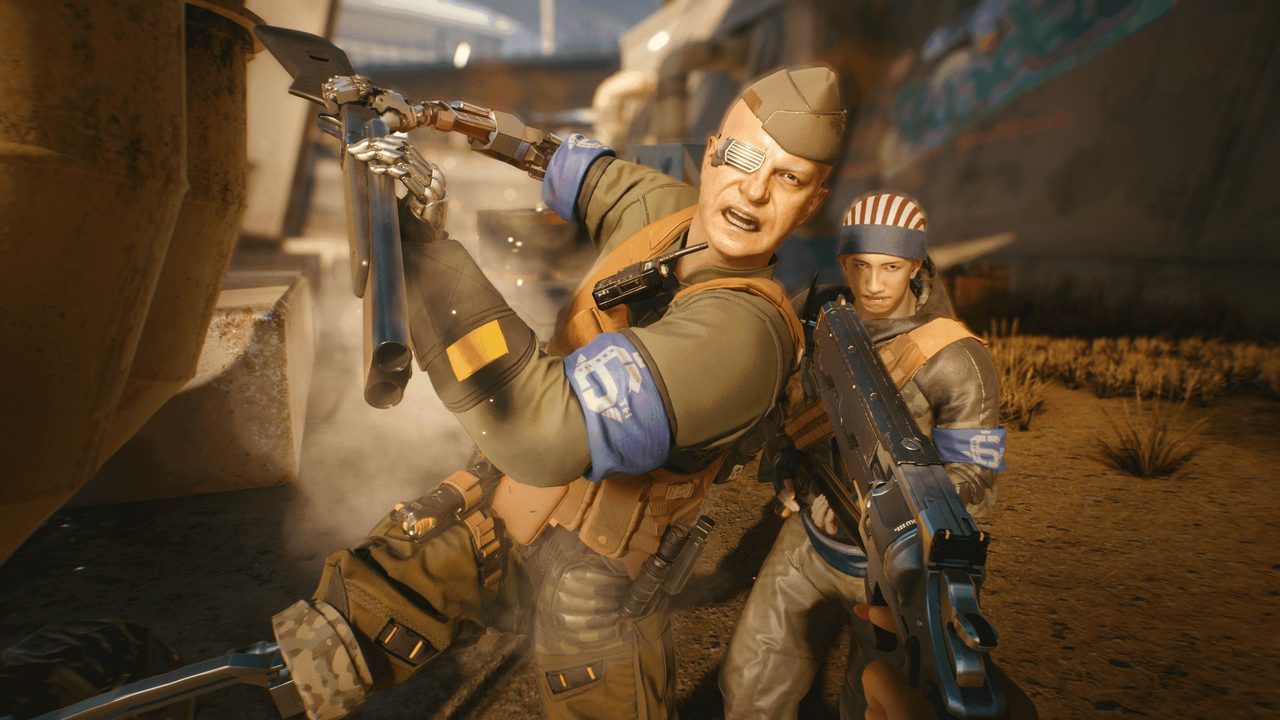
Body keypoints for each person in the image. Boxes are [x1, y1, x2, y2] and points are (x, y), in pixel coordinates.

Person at [270, 66, 847, 720]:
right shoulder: (663, 212)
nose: (755, 191)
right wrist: (429, 114)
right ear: (713, 151)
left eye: (789, 178)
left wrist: (427, 254)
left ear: (813, 200)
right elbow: (557, 159)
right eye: (743, 157)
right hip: (508, 511)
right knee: (340, 632)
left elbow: (541, 432)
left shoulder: (745, 336)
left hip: (597, 578)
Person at [719, 190, 1008, 719]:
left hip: (897, 563)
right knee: (749, 681)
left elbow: (976, 478)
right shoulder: (822, 313)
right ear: (844, 262)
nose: (873, 283)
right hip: (811, 535)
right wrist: (784, 458)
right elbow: (779, 396)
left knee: (876, 700)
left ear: (915, 265)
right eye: (860, 265)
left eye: (890, 267)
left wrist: (896, 504)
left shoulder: (954, 358)